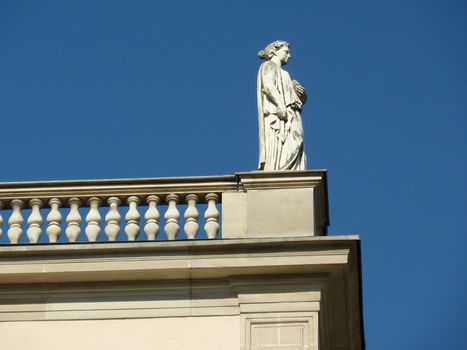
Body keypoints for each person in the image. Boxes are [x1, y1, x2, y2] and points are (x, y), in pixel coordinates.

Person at [257, 40, 308, 170]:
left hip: (291, 113)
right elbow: (268, 86)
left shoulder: (285, 74)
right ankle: (280, 169)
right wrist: (280, 105)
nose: (289, 55)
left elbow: (293, 99)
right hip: (279, 115)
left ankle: (292, 170)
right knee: (288, 141)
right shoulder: (269, 65)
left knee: (297, 140)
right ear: (274, 51)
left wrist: (300, 94)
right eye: (286, 52)